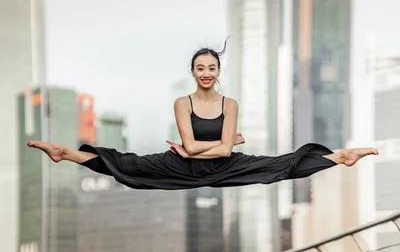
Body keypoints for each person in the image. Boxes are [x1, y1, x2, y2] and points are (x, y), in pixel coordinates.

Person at [27, 44, 378, 190]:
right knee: (129, 164)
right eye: (200, 68)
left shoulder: (230, 104)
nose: (206, 72)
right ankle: (65, 152)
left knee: (277, 166)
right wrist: (196, 150)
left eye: (212, 67)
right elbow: (206, 144)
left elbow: (221, 151)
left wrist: (195, 150)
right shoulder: (182, 103)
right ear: (193, 72)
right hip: (181, 165)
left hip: (219, 165)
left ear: (219, 71)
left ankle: (340, 157)